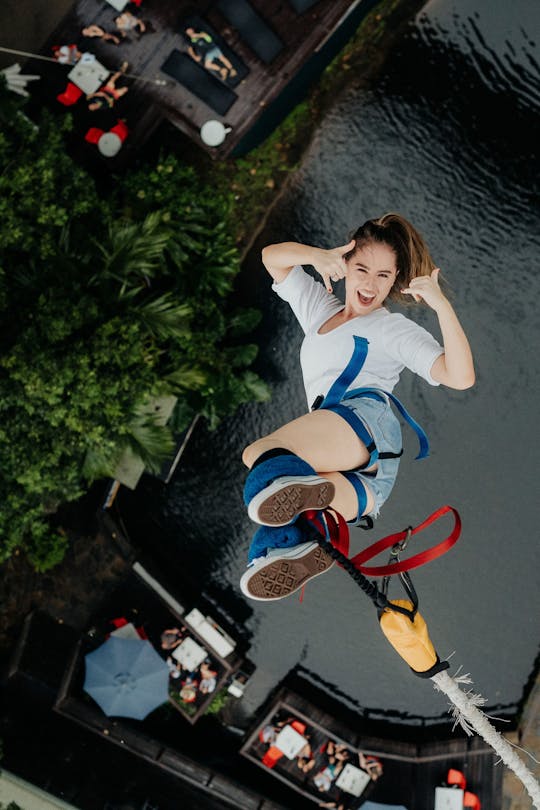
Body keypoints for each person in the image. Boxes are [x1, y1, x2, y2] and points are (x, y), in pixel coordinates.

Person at [240, 213, 474, 601]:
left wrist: (441, 306)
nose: (369, 284)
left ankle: (307, 524)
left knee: (258, 456)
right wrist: (316, 256)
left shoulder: (391, 330)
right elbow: (271, 257)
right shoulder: (319, 308)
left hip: (365, 428)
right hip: (369, 487)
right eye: (362, 268)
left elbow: (461, 376)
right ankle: (294, 549)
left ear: (394, 280)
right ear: (344, 264)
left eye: (383, 275)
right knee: (273, 502)